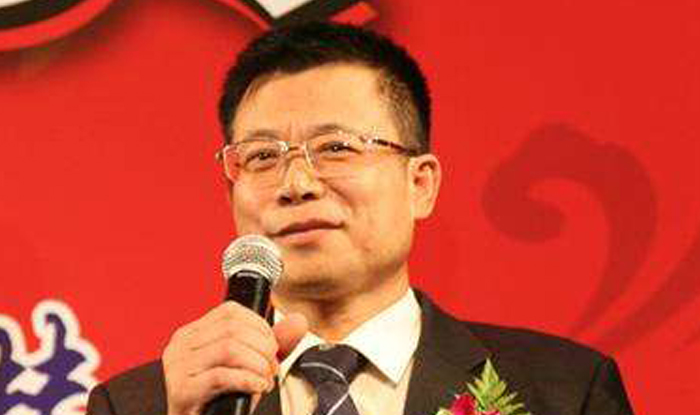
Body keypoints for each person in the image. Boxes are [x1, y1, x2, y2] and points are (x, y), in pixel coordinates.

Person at [86, 22, 634, 415]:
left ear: (420, 184)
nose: (295, 184)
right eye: (262, 156)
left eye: (336, 148)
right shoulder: (141, 404)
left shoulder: (563, 390)